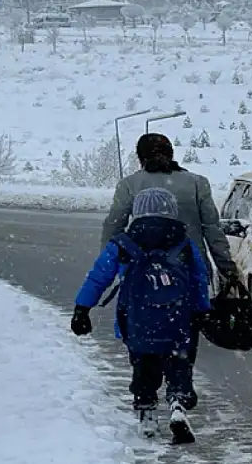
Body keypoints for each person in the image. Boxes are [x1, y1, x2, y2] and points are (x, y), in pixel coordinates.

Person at [71, 187, 211, 444]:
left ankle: (146, 411)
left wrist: (83, 308)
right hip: (178, 319)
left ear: (137, 212)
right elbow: (199, 280)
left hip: (137, 320)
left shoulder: (123, 243)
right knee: (179, 364)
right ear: (172, 211)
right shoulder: (184, 243)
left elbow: (98, 276)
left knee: (144, 365)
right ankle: (178, 405)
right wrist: (202, 310)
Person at [101, 133, 239, 283]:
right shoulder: (197, 183)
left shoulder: (128, 184)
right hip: (191, 268)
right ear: (171, 154)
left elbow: (113, 227)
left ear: (141, 157)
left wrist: (107, 267)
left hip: (143, 271)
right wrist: (227, 268)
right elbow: (212, 229)